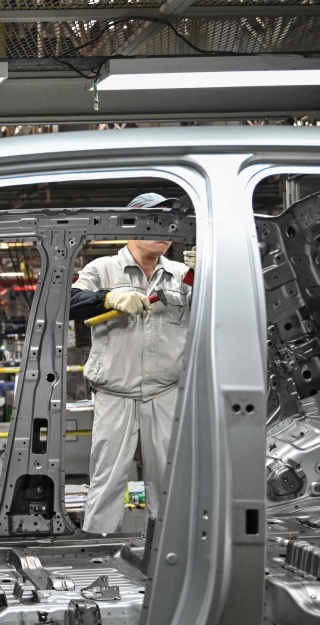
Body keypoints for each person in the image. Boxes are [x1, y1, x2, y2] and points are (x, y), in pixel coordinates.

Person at [69, 193, 195, 535]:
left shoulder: (183, 275)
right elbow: (67, 302)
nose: (165, 231)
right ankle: (95, 553)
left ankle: (170, 554)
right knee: (108, 482)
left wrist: (210, 274)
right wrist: (107, 297)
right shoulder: (102, 269)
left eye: (170, 224)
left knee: (169, 484)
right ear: (131, 227)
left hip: (166, 395)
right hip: (115, 395)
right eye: (154, 222)